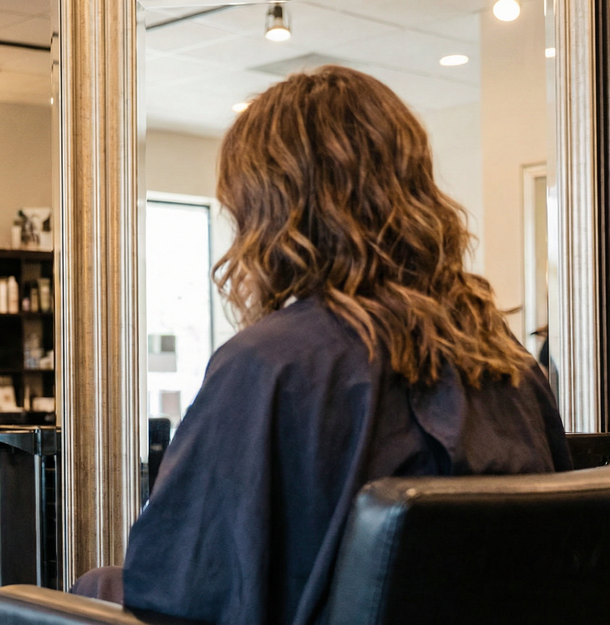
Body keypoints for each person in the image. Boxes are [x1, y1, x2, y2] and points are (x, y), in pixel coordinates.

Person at [70, 66, 572, 624]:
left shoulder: (270, 363)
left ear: (266, 210)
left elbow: (186, 589)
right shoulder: (504, 360)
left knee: (88, 589)